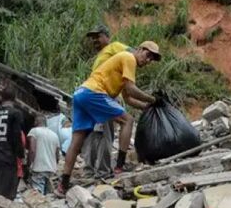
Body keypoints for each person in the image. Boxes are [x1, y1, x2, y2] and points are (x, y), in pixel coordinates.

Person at [55, 41, 162, 196]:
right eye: (148, 55)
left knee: (76, 142)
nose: (148, 60)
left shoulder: (124, 63)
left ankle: (62, 185)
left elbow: (129, 98)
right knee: (128, 120)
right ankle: (119, 166)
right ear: (139, 49)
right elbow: (132, 90)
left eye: (152, 59)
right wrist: (153, 100)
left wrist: (146, 107)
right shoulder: (129, 57)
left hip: (80, 94)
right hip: (94, 93)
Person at [82, 25, 130, 179]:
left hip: (108, 98)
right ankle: (90, 170)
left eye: (98, 36)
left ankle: (102, 170)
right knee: (94, 134)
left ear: (107, 37)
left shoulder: (114, 47)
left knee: (105, 134)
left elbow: (133, 53)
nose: (95, 40)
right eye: (93, 38)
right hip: (96, 98)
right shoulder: (100, 56)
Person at [27, 115, 60, 194]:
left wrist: (29, 164)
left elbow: (32, 150)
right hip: (51, 170)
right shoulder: (54, 135)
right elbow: (57, 155)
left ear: (36, 122)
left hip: (39, 168)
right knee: (48, 196)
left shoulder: (34, 131)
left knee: (38, 195)